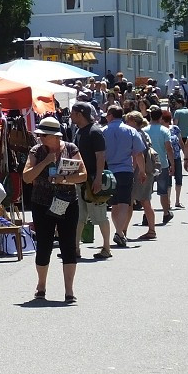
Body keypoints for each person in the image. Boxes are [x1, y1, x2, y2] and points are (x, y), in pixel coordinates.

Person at [22, 117, 87, 302]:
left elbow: (83, 175)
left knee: (68, 245)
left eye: (44, 135)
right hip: (42, 203)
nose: (40, 138)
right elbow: (26, 177)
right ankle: (41, 285)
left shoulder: (70, 149)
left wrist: (64, 179)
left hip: (67, 202)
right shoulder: (36, 151)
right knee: (44, 245)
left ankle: (69, 290)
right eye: (40, 134)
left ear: (55, 136)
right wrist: (45, 162)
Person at [70, 102, 112, 259]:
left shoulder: (95, 132)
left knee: (100, 215)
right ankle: (75, 249)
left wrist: (99, 178)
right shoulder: (79, 131)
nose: (71, 117)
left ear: (80, 114)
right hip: (80, 180)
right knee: (79, 216)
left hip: (93, 179)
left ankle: (106, 248)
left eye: (73, 113)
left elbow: (100, 156)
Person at [102, 104, 145, 248]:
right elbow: (138, 153)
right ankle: (120, 232)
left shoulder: (103, 131)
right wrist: (142, 171)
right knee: (124, 204)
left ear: (111, 115)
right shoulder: (131, 131)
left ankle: (119, 232)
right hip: (126, 170)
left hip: (109, 172)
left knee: (114, 205)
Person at [125, 112, 158, 241]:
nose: (126, 124)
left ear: (133, 121)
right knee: (145, 200)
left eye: (128, 121)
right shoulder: (144, 133)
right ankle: (151, 229)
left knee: (130, 202)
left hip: (139, 171)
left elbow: (137, 155)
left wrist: (133, 171)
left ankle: (123, 231)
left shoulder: (135, 134)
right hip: (146, 170)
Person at [144, 106, 175, 224]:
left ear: (150, 116)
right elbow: (169, 148)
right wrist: (173, 164)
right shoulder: (165, 130)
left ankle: (146, 214)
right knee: (163, 191)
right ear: (161, 117)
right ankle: (166, 213)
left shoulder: (145, 130)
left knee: (147, 191)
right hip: (162, 163)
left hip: (148, 164)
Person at [161, 109, 185, 209]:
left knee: (179, 178)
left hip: (176, 156)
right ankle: (168, 201)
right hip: (166, 157)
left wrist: (186, 155)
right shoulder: (161, 130)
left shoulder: (175, 128)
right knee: (168, 181)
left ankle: (178, 201)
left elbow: (180, 142)